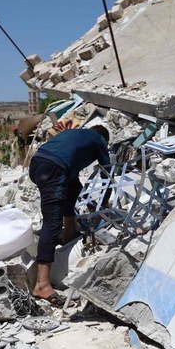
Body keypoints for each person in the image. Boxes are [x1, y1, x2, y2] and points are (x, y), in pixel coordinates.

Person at [28, 125, 111, 304]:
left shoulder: (75, 133)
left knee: (74, 186)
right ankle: (42, 285)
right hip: (53, 168)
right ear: (104, 139)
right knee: (52, 223)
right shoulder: (99, 141)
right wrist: (104, 203)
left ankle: (69, 232)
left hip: (37, 164)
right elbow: (107, 174)